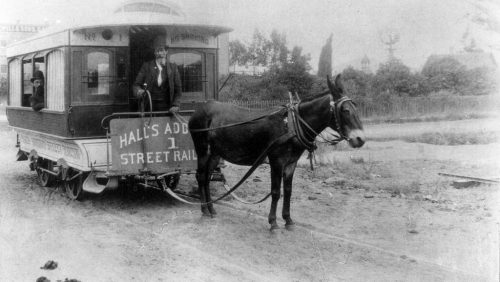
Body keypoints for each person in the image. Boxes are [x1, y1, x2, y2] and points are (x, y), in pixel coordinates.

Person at [133, 43, 182, 112]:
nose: (161, 53)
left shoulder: (173, 68)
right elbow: (136, 85)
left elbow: (178, 90)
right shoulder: (146, 66)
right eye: (158, 50)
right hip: (149, 105)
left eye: (163, 50)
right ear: (155, 53)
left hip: (167, 107)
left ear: (166, 52)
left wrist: (176, 105)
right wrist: (139, 91)